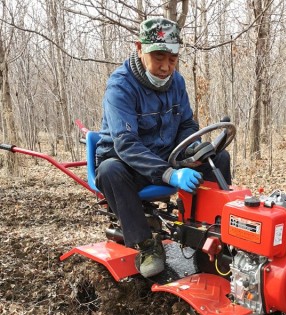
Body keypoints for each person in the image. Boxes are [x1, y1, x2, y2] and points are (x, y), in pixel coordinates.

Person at [95, 17, 231, 278]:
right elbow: (126, 144)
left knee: (219, 157)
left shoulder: (176, 82)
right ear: (139, 48)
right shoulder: (120, 86)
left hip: (167, 155)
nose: (165, 67)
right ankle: (147, 245)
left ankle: (208, 234)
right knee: (110, 170)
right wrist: (170, 174)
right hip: (128, 163)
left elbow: (187, 124)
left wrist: (191, 149)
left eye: (172, 59)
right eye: (158, 57)